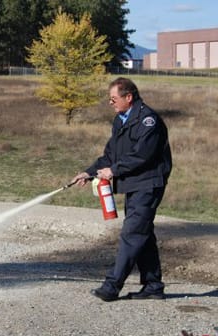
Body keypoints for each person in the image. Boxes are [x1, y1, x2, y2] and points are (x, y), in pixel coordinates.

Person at [71, 77, 172, 302]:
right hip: (133, 185)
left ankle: (111, 286)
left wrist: (113, 171)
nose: (111, 103)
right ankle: (153, 285)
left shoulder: (148, 121)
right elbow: (110, 155)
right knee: (142, 234)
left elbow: (141, 156)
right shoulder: (120, 120)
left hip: (148, 184)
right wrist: (89, 172)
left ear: (129, 97)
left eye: (114, 98)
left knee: (132, 233)